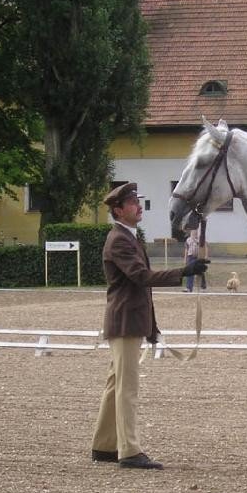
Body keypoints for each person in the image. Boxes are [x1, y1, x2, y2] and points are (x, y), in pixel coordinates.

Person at [91, 182, 209, 470]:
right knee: (127, 388)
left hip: (130, 320)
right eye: (132, 203)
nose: (137, 206)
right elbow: (141, 277)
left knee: (115, 385)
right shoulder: (119, 239)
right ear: (119, 210)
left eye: (138, 201)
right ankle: (129, 451)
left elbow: (139, 288)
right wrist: (184, 272)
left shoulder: (129, 236)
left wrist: (151, 326)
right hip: (125, 321)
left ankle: (104, 445)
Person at [183, 227, 208, 292]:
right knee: (189, 272)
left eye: (196, 232)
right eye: (193, 232)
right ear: (191, 233)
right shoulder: (188, 240)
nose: (195, 233)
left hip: (198, 257)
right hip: (190, 257)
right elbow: (186, 249)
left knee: (200, 272)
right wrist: (185, 259)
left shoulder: (200, 239)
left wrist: (205, 255)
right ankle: (189, 288)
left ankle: (203, 287)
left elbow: (205, 246)